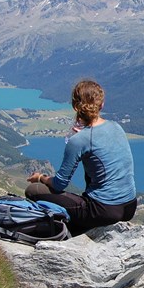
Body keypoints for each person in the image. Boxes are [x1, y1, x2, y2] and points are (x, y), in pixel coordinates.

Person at [25, 79, 136, 234]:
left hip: (104, 210)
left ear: (75, 106)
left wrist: (41, 177)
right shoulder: (116, 127)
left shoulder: (78, 140)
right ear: (101, 104)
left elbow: (59, 184)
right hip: (129, 206)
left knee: (34, 190)